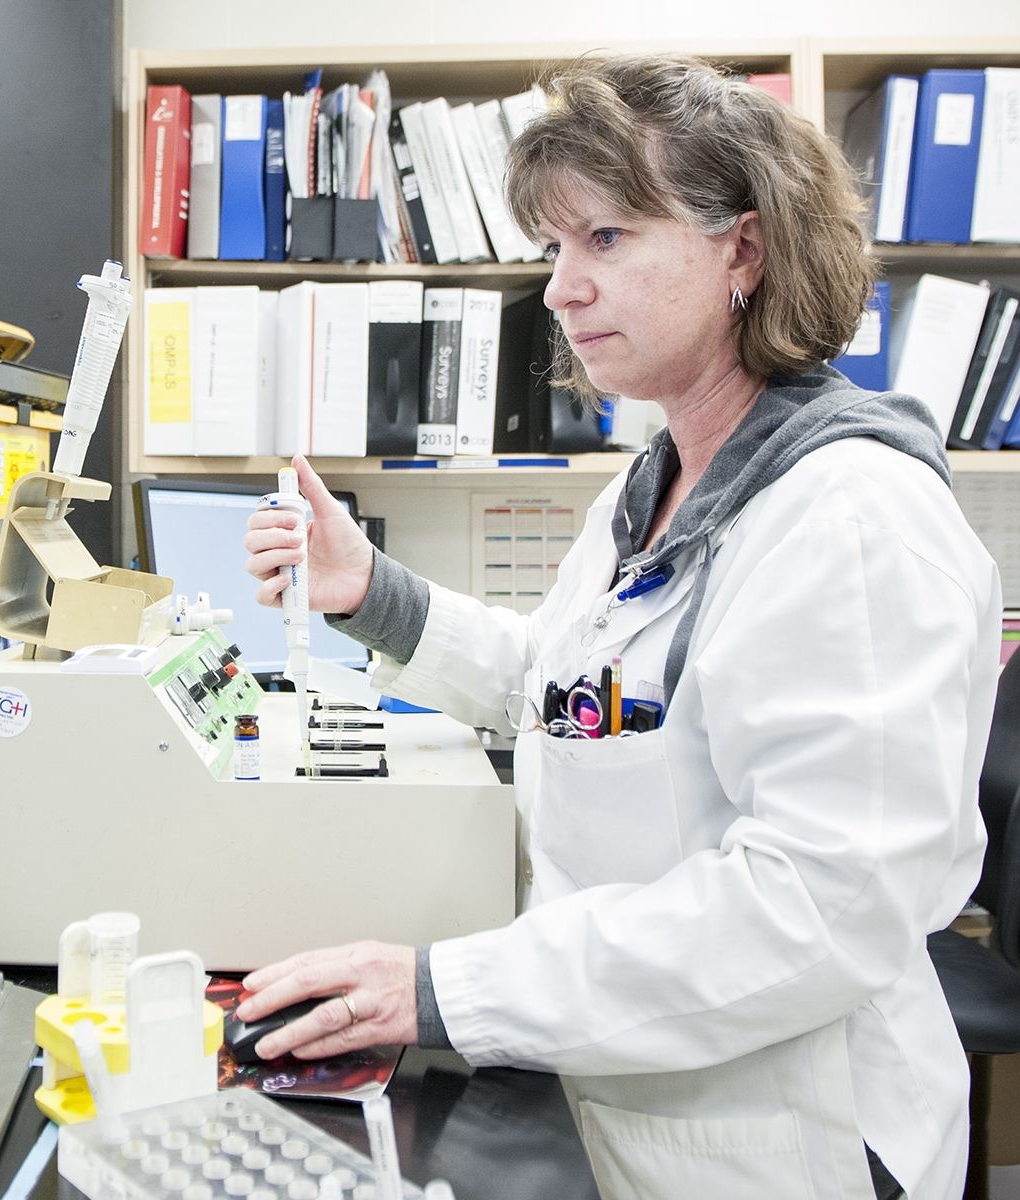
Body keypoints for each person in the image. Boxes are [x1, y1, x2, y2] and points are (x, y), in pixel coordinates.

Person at [240, 54, 1001, 1200]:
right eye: (554, 248)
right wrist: (371, 592)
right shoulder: (654, 487)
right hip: (631, 1084)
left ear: (741, 248)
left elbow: (817, 906)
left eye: (604, 240)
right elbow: (566, 696)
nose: (558, 288)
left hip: (782, 1139)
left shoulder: (853, 518)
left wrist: (446, 989)